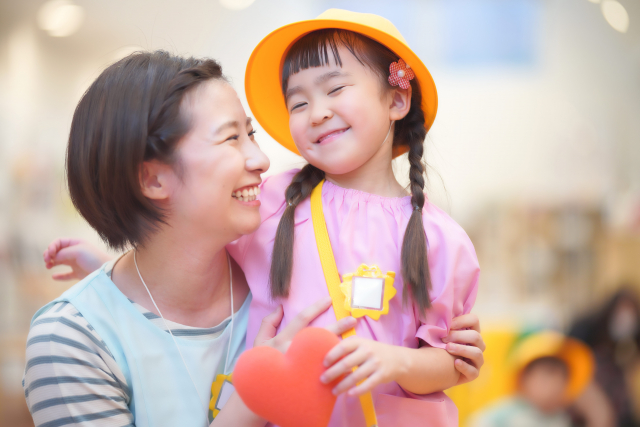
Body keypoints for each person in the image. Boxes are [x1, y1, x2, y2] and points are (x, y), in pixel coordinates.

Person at [30, 50, 485, 427]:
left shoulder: (435, 237)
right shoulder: (72, 339)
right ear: (152, 179)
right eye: (231, 138)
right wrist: (106, 280)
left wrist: (443, 360)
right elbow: (156, 273)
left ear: (397, 99)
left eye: (250, 133)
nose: (262, 160)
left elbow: (443, 352)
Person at [232, 9, 480, 426]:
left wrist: (396, 361)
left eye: (335, 88)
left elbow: (450, 362)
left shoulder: (440, 238)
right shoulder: (271, 202)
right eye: (298, 103)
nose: (316, 113)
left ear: (396, 100)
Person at [469, 331, 596, 427]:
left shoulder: (562, 420)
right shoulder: (500, 417)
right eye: (549, 373)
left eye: (564, 376)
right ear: (524, 377)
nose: (557, 383)